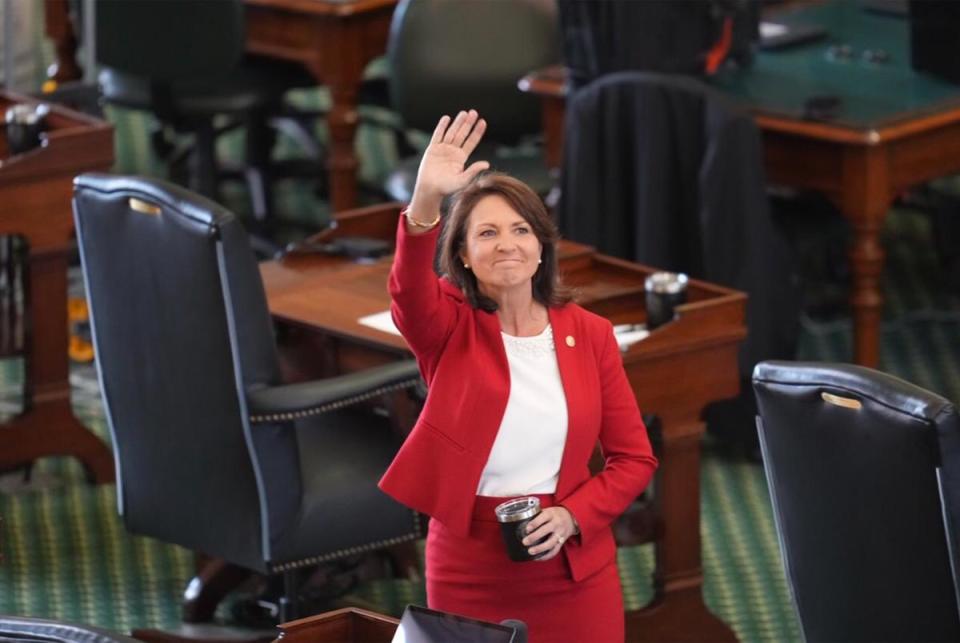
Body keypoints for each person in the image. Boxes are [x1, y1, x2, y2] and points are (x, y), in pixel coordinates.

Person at [378, 110, 658, 643]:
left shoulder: (590, 334)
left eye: (520, 230)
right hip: (469, 566)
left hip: (572, 565)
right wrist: (425, 203)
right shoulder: (448, 327)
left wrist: (574, 515)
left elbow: (634, 459)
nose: (507, 244)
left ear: (541, 248)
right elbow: (407, 294)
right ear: (462, 254)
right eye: (487, 232)